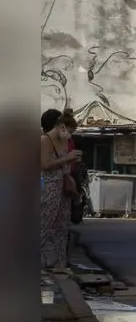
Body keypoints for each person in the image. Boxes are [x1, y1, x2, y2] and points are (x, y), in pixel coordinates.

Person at [40, 109, 81, 272]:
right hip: (49, 186)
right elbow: (44, 165)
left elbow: (63, 164)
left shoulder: (62, 141)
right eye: (67, 130)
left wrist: (71, 160)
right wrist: (67, 158)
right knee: (45, 225)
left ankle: (60, 264)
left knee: (62, 226)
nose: (68, 135)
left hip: (63, 186)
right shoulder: (45, 140)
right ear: (59, 126)